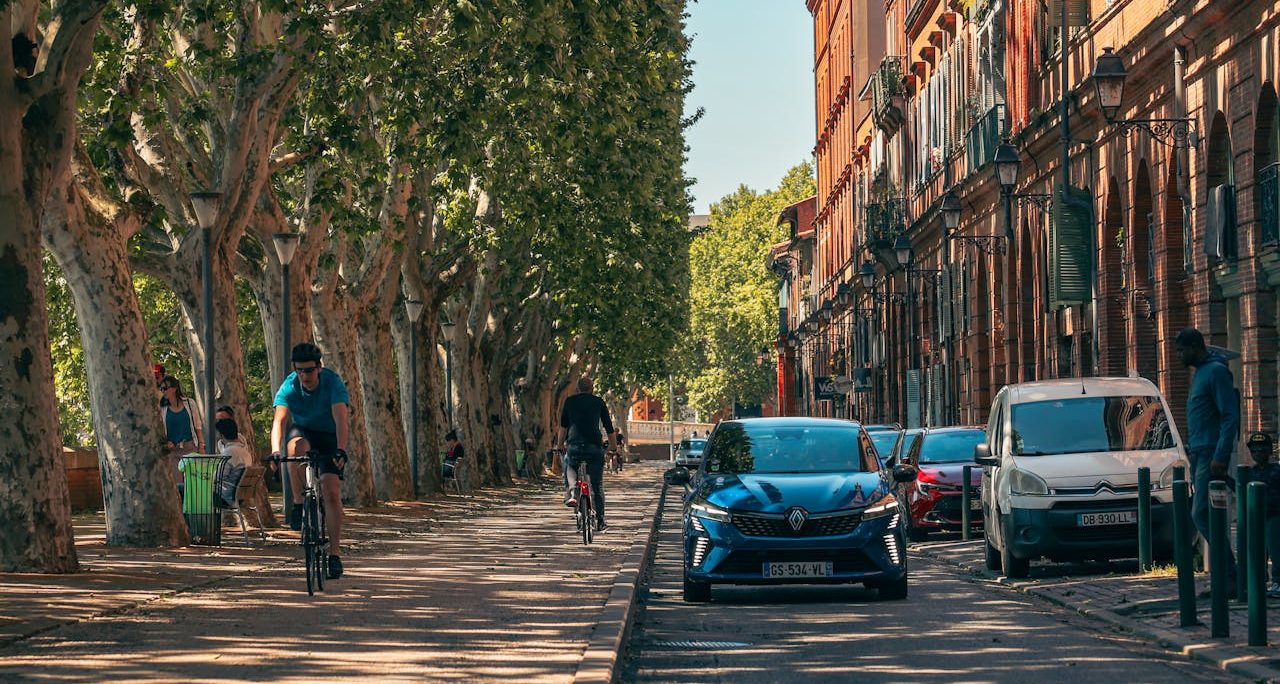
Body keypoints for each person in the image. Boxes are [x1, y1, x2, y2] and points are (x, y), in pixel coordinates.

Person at [271, 342, 352, 580]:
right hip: (303, 431)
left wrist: (340, 449)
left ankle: (334, 555)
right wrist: (275, 452)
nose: (305, 375)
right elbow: (279, 422)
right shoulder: (289, 386)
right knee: (294, 447)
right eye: (300, 370)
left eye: (309, 370)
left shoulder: (332, 383)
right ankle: (298, 503)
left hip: (328, 435)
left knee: (332, 492)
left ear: (318, 367)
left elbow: (341, 419)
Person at [1175, 327, 1240, 586]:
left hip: (1211, 453)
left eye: (1181, 350)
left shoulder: (1216, 372)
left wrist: (1221, 454)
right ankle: (1225, 579)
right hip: (1200, 451)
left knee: (1200, 513)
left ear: (1194, 347)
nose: (1179, 356)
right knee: (1208, 512)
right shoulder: (1201, 373)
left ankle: (1231, 574)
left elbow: (1229, 415)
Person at [556, 376, 616, 531]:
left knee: (569, 463)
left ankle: (572, 493)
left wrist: (559, 445)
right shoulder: (599, 402)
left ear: (577, 388)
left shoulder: (569, 401)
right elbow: (609, 428)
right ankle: (601, 521)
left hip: (574, 446)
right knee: (597, 486)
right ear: (592, 388)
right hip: (594, 447)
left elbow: (563, 427)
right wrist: (613, 447)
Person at [1246, 432, 1280, 597]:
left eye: (1262, 449)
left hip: (1275, 516)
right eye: (1254, 450)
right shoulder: (1249, 473)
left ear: (1269, 451)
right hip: (1256, 517)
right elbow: (1239, 487)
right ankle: (1259, 582)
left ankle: (1278, 582)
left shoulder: (1277, 471)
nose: (1258, 452)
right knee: (1257, 551)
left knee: (1276, 551)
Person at [160, 376, 203, 454]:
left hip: (191, 448)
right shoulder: (162, 408)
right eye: (161, 389)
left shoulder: (190, 403)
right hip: (172, 451)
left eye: (165, 388)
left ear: (174, 388)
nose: (163, 391)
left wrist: (201, 446)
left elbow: (198, 426)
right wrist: (167, 444)